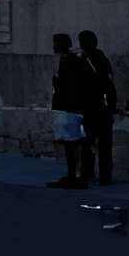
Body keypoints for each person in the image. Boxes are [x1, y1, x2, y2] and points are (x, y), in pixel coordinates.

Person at [48, 35, 93, 188]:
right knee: (73, 143)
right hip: (71, 106)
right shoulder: (71, 59)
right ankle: (75, 175)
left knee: (71, 143)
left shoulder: (68, 60)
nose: (53, 46)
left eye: (55, 43)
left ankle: (74, 176)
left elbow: (68, 85)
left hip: (69, 107)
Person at [78, 31, 120, 186]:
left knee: (87, 143)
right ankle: (105, 176)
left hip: (88, 108)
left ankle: (87, 173)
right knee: (105, 145)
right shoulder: (103, 59)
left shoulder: (82, 61)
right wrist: (112, 106)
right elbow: (110, 84)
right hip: (103, 108)